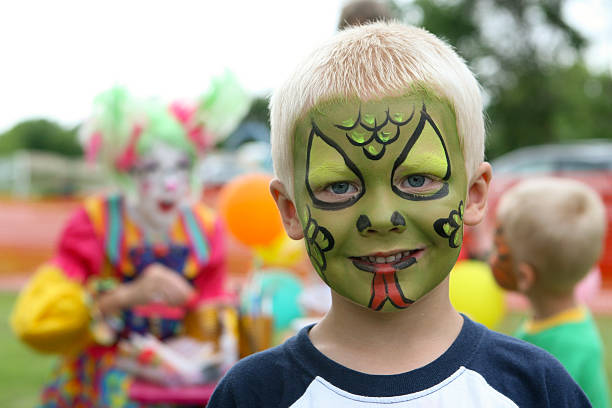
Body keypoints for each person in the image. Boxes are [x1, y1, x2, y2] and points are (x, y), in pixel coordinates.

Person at [207, 22, 590, 407]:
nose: (381, 216)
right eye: (340, 186)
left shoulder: (535, 389)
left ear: (473, 195)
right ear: (290, 210)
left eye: (418, 179)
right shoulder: (252, 395)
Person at [11, 87, 227, 407]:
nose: (170, 183)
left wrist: (199, 308)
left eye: (180, 167)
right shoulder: (94, 223)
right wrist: (128, 296)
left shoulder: (204, 228)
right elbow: (40, 322)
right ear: (126, 170)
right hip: (99, 383)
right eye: (152, 169)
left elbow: (214, 309)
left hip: (179, 383)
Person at [490, 177, 610, 408]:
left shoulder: (563, 351)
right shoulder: (557, 325)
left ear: (525, 276)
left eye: (499, 247)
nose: (491, 255)